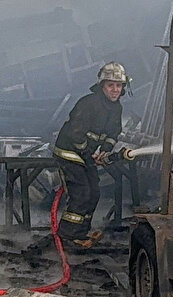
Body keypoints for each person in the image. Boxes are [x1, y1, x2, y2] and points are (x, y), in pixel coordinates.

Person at [53, 62, 130, 247]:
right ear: (102, 86)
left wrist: (105, 151)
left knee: (94, 192)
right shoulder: (88, 103)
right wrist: (89, 153)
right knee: (82, 192)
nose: (115, 90)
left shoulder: (116, 108)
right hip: (69, 153)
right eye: (110, 85)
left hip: (86, 154)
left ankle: (81, 232)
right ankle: (67, 236)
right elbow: (76, 134)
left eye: (118, 85)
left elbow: (113, 134)